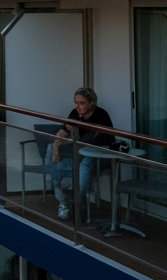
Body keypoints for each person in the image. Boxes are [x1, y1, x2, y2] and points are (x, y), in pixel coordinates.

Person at [45, 87, 115, 220]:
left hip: (98, 155)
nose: (78, 106)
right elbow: (63, 132)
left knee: (86, 161)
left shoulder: (101, 115)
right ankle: (61, 196)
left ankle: (76, 200)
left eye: (82, 103)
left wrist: (66, 141)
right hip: (78, 154)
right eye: (76, 103)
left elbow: (93, 141)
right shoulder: (75, 113)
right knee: (50, 148)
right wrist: (56, 143)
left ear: (91, 103)